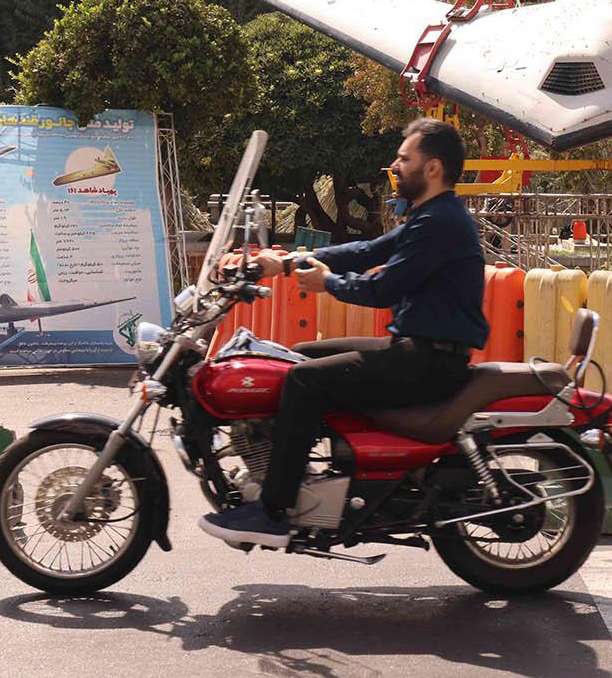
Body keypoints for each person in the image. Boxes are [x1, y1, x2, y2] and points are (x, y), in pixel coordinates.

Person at [199, 118, 488, 548]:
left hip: (429, 360)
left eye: (405, 158)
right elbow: (367, 251)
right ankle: (310, 478)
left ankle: (275, 509)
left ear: (432, 168)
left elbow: (384, 285)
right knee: (295, 356)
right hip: (416, 348)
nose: (394, 164)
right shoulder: (430, 216)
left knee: (301, 380)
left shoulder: (440, 222)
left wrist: (327, 283)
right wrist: (291, 261)